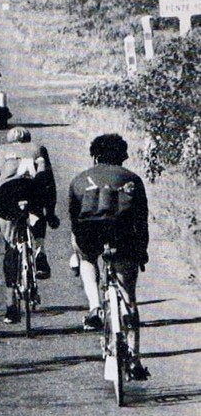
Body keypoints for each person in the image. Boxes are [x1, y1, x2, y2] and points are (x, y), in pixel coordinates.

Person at [68, 133, 150, 381]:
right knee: (129, 298)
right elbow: (141, 221)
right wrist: (141, 251)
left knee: (86, 258)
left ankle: (94, 306)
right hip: (123, 235)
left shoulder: (79, 180)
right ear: (122, 156)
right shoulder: (133, 179)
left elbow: (74, 220)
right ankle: (135, 359)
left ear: (94, 156)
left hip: (89, 234)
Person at [0, 126, 59, 324]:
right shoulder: (38, 148)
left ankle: (11, 305)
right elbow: (49, 181)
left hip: (8, 191)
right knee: (35, 213)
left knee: (10, 247)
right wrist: (51, 212)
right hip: (33, 189)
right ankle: (40, 251)